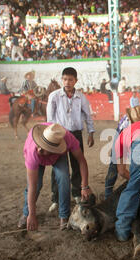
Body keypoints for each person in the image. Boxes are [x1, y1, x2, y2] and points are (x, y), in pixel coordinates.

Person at [17, 123, 92, 231]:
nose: (40, 150)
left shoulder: (68, 139)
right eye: (40, 146)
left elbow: (81, 161)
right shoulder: (33, 150)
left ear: (56, 149)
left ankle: (64, 216)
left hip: (57, 156)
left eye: (44, 148)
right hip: (35, 157)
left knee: (63, 178)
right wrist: (32, 214)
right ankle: (26, 213)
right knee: (36, 185)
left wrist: (84, 186)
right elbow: (32, 186)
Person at [47, 67, 95, 211]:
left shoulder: (81, 97)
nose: (67, 82)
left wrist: (91, 133)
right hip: (59, 135)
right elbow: (49, 119)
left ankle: (76, 193)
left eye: (70, 79)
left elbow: (88, 115)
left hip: (76, 135)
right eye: (65, 79)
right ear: (62, 79)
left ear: (76, 81)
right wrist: (50, 137)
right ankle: (56, 198)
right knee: (58, 167)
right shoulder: (54, 96)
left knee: (77, 165)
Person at [104, 105, 140, 200]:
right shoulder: (125, 125)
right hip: (121, 137)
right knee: (115, 164)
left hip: (133, 137)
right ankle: (108, 193)